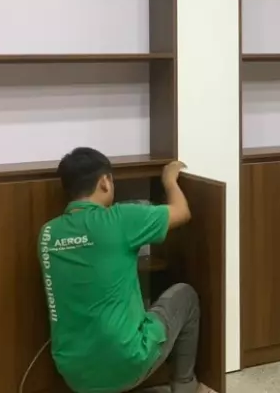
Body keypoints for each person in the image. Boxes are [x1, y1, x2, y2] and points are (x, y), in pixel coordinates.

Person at [39, 147, 198, 393]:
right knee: (185, 295)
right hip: (127, 362)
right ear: (105, 181)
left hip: (73, 372)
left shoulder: (48, 233)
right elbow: (182, 212)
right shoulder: (120, 219)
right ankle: (185, 384)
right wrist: (169, 180)